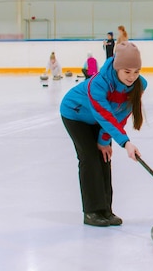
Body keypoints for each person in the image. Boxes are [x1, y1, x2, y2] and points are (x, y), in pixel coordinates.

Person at [60, 42, 147, 227]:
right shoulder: (98, 83)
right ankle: (91, 212)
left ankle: (105, 210)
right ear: (117, 69)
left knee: (104, 158)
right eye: (127, 71)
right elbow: (105, 115)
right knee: (89, 159)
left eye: (136, 71)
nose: (132, 77)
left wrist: (104, 140)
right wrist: (125, 142)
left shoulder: (140, 85)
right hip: (75, 115)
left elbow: (120, 115)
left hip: (99, 121)